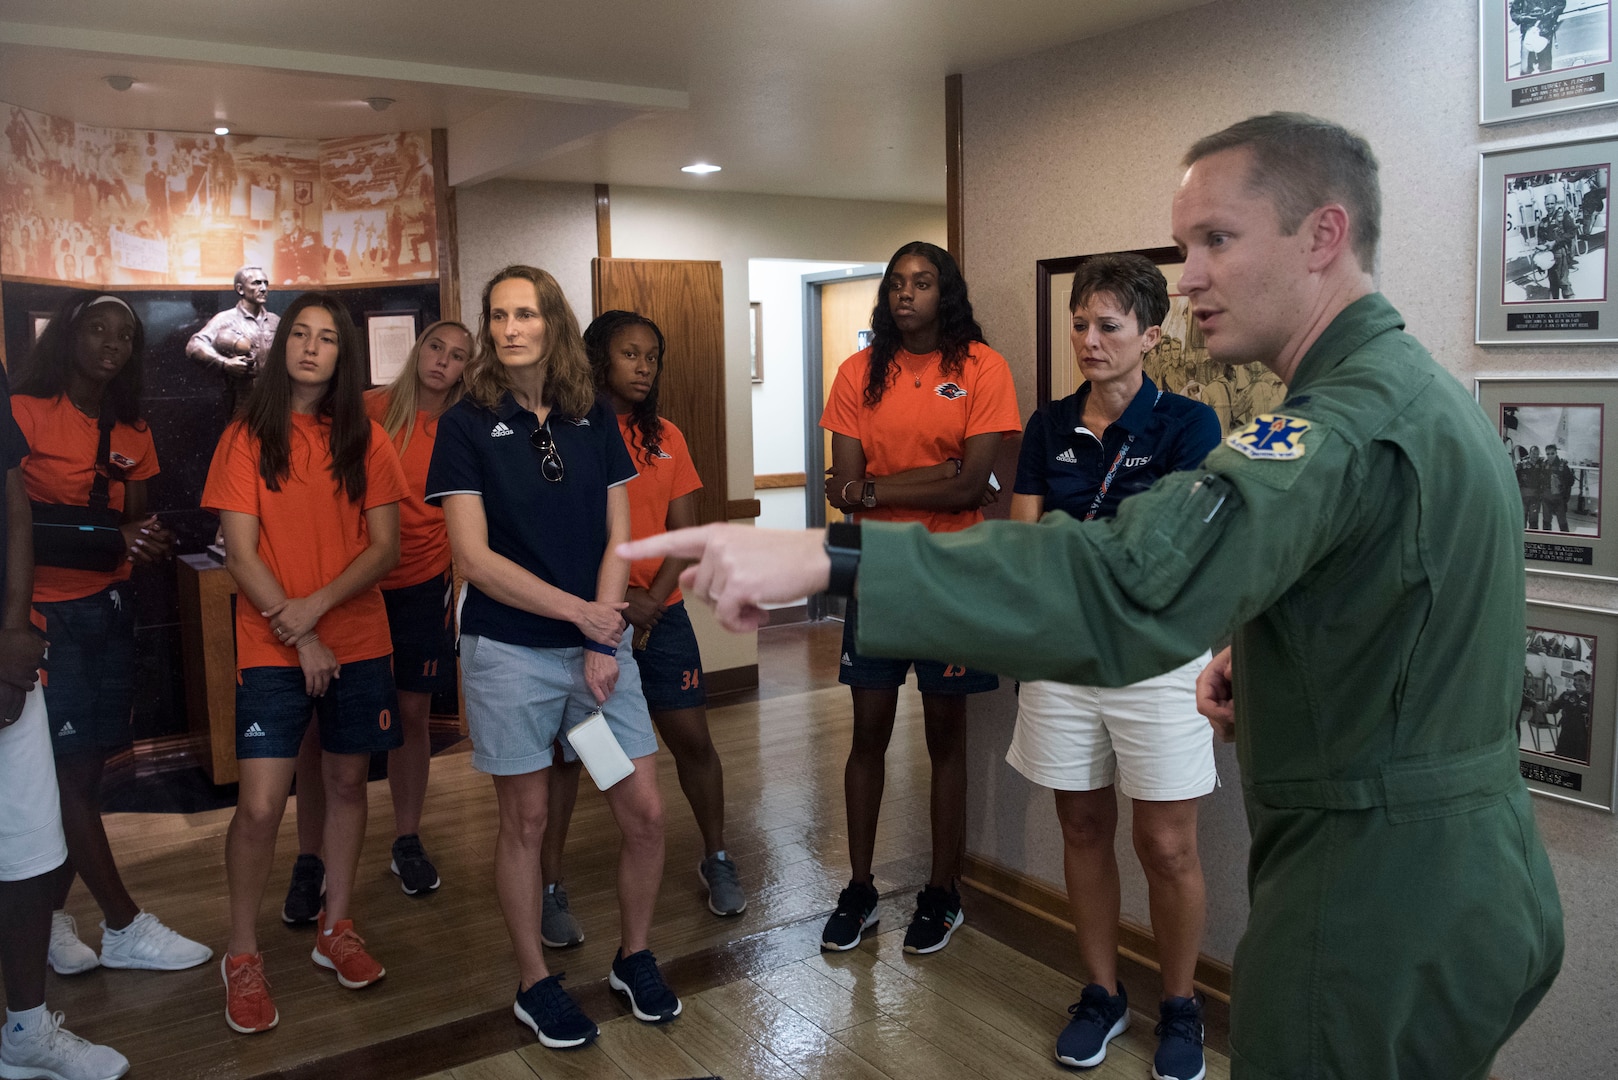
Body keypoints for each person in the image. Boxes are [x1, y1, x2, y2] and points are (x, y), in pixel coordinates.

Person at [627, 114, 1563, 1080]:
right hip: (1465, 873)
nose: (1189, 273)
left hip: (1380, 894)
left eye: (1217, 240)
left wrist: (833, 560)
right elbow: (1413, 594)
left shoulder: (1338, 422)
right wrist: (1277, 653)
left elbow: (1127, 585)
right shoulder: (1415, 388)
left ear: (1323, 237)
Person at [425, 266, 680, 1050]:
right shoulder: (467, 424)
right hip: (511, 657)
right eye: (498, 315)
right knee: (526, 821)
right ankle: (536, 981)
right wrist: (586, 621)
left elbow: (619, 537)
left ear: (552, 323)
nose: (509, 328)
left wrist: (602, 642)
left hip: (593, 667)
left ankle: (633, 955)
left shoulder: (591, 414)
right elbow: (472, 558)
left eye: (524, 314)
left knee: (641, 812)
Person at [1007, 253, 1221, 1077]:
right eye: (1079, 325)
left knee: (1166, 844)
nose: (1089, 341)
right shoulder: (1048, 426)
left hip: (1157, 657)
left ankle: (1180, 1006)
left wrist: (1085, 553)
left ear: (1151, 336)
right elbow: (1027, 548)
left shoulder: (1188, 427)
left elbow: (1176, 552)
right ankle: (1101, 994)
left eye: (1108, 327)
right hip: (1064, 654)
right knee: (1082, 824)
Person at [203, 291, 407, 1034]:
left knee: (348, 783)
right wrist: (302, 633)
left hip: (356, 639)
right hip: (273, 643)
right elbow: (243, 553)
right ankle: (243, 954)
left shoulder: (368, 439)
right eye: (301, 334)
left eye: (327, 337)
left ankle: (336, 927)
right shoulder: (245, 437)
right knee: (259, 805)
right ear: (282, 343)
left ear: (341, 353)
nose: (313, 347)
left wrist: (316, 613)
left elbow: (383, 548)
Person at [818, 241, 1020, 956]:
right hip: (876, 571)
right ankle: (861, 886)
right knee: (866, 733)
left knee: (946, 740)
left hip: (951, 572)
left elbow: (973, 487)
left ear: (947, 293)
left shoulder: (982, 369)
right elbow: (839, 489)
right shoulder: (855, 374)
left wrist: (877, 487)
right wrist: (917, 481)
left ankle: (942, 891)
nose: (907, 294)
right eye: (898, 283)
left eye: (923, 282)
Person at [11, 293, 210, 980]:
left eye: (124, 335)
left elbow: (136, 524)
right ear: (67, 335)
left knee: (86, 776)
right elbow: (17, 528)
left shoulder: (133, 427)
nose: (109, 343)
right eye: (96, 328)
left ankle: (52, 917)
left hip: (108, 611)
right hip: (42, 620)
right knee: (66, 780)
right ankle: (123, 924)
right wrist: (109, 538)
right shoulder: (23, 412)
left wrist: (146, 543)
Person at [538, 310, 743, 949]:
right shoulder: (567, 433)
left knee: (692, 739)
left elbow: (685, 532)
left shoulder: (667, 436)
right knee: (577, 755)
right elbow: (564, 534)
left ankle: (715, 857)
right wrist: (622, 598)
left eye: (652, 356)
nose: (644, 367)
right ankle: (549, 886)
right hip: (594, 619)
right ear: (598, 359)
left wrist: (651, 599)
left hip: (664, 617)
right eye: (631, 354)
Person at [279, 320, 472, 923]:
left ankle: (406, 839)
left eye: (457, 355)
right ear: (418, 351)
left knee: (412, 715)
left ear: (468, 368)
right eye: (435, 347)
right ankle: (309, 858)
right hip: (350, 587)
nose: (442, 361)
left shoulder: (465, 426)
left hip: (420, 585)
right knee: (323, 727)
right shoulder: (367, 408)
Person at [0, 354, 130, 1080]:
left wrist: (15, 628)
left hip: (11, 652)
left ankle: (23, 1030)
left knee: (27, 851)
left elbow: (8, 490)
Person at [187, 265, 279, 418]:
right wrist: (224, 363)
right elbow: (194, 345)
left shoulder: (275, 321)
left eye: (265, 283)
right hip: (241, 404)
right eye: (256, 283)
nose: (263, 288)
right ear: (240, 289)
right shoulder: (226, 319)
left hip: (274, 404)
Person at [1511, 0, 1567, 74]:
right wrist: (1524, 18)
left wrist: (1550, 14)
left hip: (1545, 32)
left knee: (1545, 67)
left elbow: (1561, 4)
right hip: (1527, 33)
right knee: (1525, 69)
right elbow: (1514, 13)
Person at [1542, 443, 1574, 532]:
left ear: (1556, 453)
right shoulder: (1544, 465)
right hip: (1546, 497)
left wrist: (1562, 486)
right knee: (1546, 521)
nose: (1550, 456)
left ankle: (1566, 542)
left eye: (1552, 453)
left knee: (1562, 522)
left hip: (1559, 498)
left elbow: (1571, 481)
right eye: (1548, 454)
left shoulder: (1563, 466)